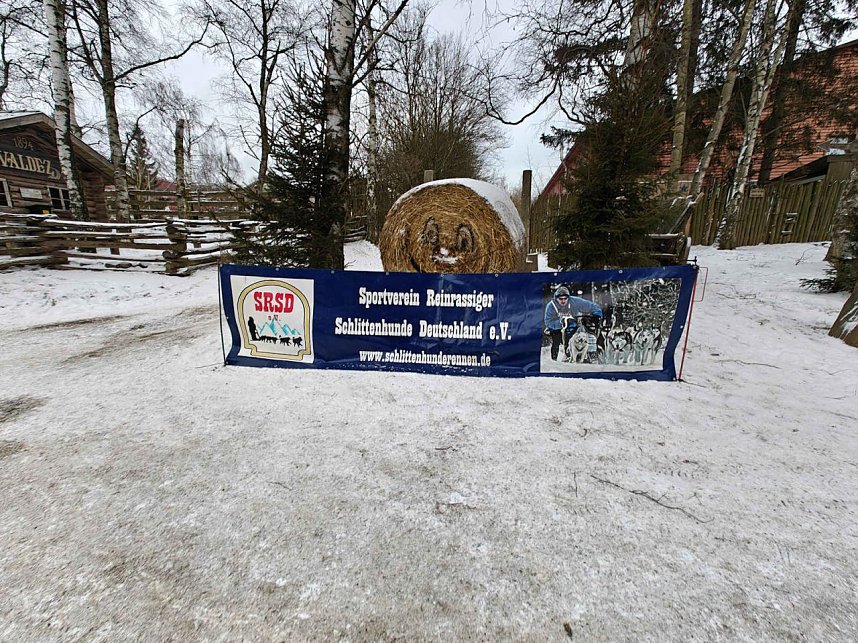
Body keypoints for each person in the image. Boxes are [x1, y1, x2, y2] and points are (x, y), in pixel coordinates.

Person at [544, 286, 603, 361]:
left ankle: (589, 353)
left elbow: (593, 306)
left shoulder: (575, 301)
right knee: (556, 339)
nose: (563, 301)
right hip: (557, 329)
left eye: (565, 299)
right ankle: (554, 360)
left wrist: (597, 315)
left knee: (582, 334)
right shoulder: (551, 306)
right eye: (560, 299)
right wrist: (562, 323)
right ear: (556, 298)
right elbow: (548, 322)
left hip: (573, 327)